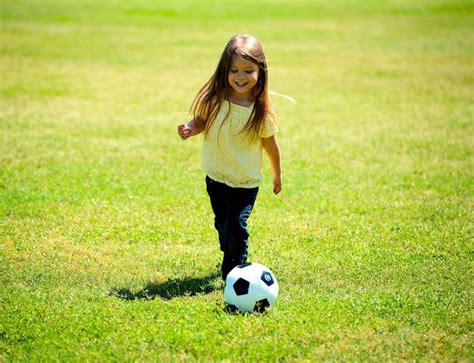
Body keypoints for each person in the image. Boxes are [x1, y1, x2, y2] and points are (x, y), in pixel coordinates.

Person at [177, 34, 281, 281]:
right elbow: (202, 121)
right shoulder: (215, 100)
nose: (241, 77)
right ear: (225, 70)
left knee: (236, 226)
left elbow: (271, 145)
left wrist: (277, 174)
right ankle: (229, 251)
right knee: (223, 225)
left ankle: (235, 273)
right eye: (234, 70)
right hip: (216, 176)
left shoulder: (260, 112)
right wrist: (191, 128)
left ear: (260, 72)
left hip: (245, 182)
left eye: (248, 70)